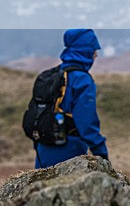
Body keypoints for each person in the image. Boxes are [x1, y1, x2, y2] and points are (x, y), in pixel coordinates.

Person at [35, 29, 109, 168]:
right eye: (94, 49)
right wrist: (101, 153)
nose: (96, 54)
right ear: (85, 50)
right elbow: (87, 122)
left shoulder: (53, 75)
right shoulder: (82, 80)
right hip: (69, 148)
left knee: (41, 188)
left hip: (43, 147)